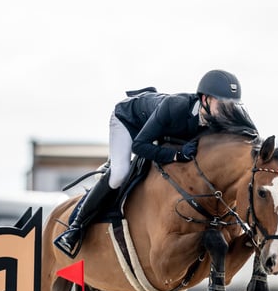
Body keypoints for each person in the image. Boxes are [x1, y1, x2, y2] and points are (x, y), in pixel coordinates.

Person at [54, 69, 244, 257]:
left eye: (233, 105)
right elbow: (139, 146)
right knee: (119, 173)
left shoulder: (221, 115)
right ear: (205, 100)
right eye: (223, 104)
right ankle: (75, 228)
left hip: (160, 129)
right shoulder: (175, 107)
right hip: (129, 121)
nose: (229, 111)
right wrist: (176, 155)